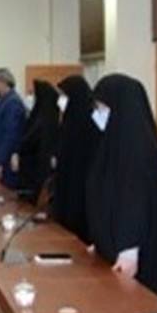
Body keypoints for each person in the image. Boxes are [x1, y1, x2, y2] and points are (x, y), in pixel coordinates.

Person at [84, 74, 157, 295]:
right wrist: (101, 241)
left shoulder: (139, 149)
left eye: (102, 108)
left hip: (138, 257)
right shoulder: (113, 145)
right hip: (117, 251)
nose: (97, 114)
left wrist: (129, 249)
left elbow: (135, 201)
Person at [53, 75, 100, 242]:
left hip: (81, 186)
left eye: (63, 95)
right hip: (67, 182)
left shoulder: (91, 121)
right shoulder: (68, 118)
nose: (60, 100)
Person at [11, 80, 60, 202]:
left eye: (33, 94)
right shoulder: (39, 114)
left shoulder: (44, 118)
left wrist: (18, 151)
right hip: (30, 169)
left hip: (35, 172)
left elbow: (31, 140)